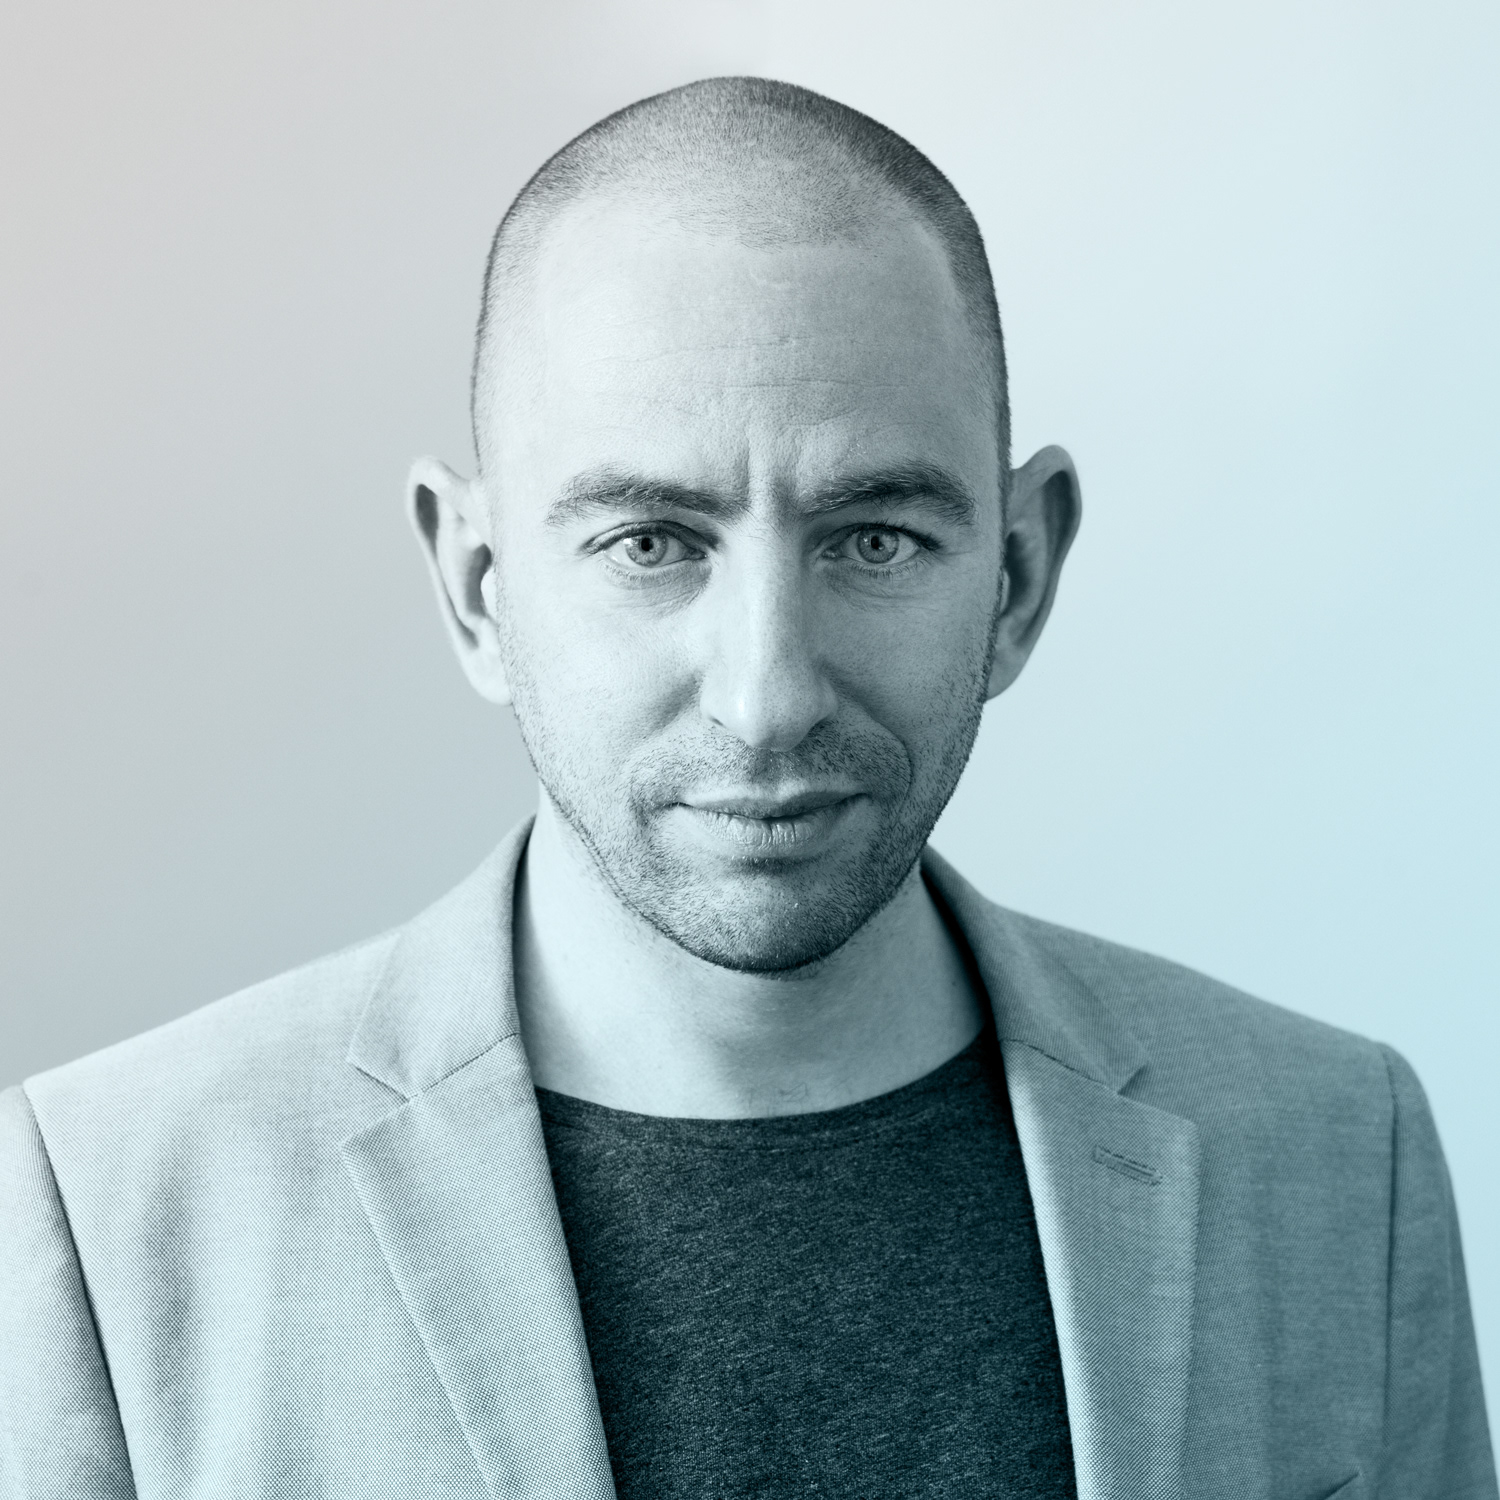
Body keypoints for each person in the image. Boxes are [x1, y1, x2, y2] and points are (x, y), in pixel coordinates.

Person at [0, 76, 1492, 1500]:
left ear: (1020, 574)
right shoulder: (110, 1205)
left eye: (875, 539)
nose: (767, 695)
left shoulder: (1334, 1153)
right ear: (476, 586)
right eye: (650, 543)